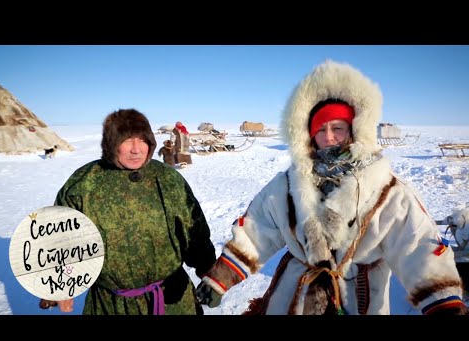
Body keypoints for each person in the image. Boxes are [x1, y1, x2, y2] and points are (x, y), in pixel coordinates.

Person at [195, 60, 468, 315]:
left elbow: (416, 244)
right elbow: (258, 229)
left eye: (337, 128)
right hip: (294, 296)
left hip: (361, 298)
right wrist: (222, 276)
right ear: (308, 134)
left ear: (354, 130)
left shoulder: (387, 189)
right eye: (320, 129)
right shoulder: (288, 183)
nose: (329, 138)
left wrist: (441, 300)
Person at [43, 109, 216, 315]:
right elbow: (61, 238)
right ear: (111, 143)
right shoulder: (84, 183)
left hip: (170, 299)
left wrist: (211, 275)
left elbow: (194, 231)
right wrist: (61, 286)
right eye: (127, 141)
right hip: (111, 304)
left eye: (143, 140)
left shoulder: (167, 179)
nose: (136, 149)